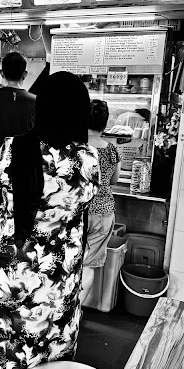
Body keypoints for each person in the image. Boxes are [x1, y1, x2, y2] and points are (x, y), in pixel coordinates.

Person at [0, 71, 100, 369]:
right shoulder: (88, 160)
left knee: (5, 356)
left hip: (9, 281)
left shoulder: (13, 150)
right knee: (46, 359)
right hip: (56, 286)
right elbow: (85, 208)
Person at [0, 51, 36, 294]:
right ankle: (17, 283)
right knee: (21, 225)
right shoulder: (34, 101)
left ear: (2, 73)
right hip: (23, 172)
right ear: (25, 74)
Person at [81, 100, 121, 303]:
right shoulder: (111, 149)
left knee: (69, 261)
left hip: (78, 210)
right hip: (103, 211)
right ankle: (75, 311)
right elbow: (114, 180)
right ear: (105, 125)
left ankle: (61, 312)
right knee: (88, 266)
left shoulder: (76, 147)